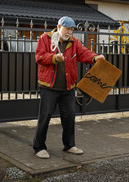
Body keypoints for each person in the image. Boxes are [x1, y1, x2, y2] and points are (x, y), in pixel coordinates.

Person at [33, 16, 105, 159]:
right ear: (59, 27)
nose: (70, 33)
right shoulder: (45, 39)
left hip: (68, 87)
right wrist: (54, 58)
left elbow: (84, 53)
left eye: (72, 30)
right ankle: (39, 147)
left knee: (69, 117)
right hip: (49, 86)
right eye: (67, 29)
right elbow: (39, 57)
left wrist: (95, 57)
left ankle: (69, 145)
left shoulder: (74, 42)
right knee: (45, 116)